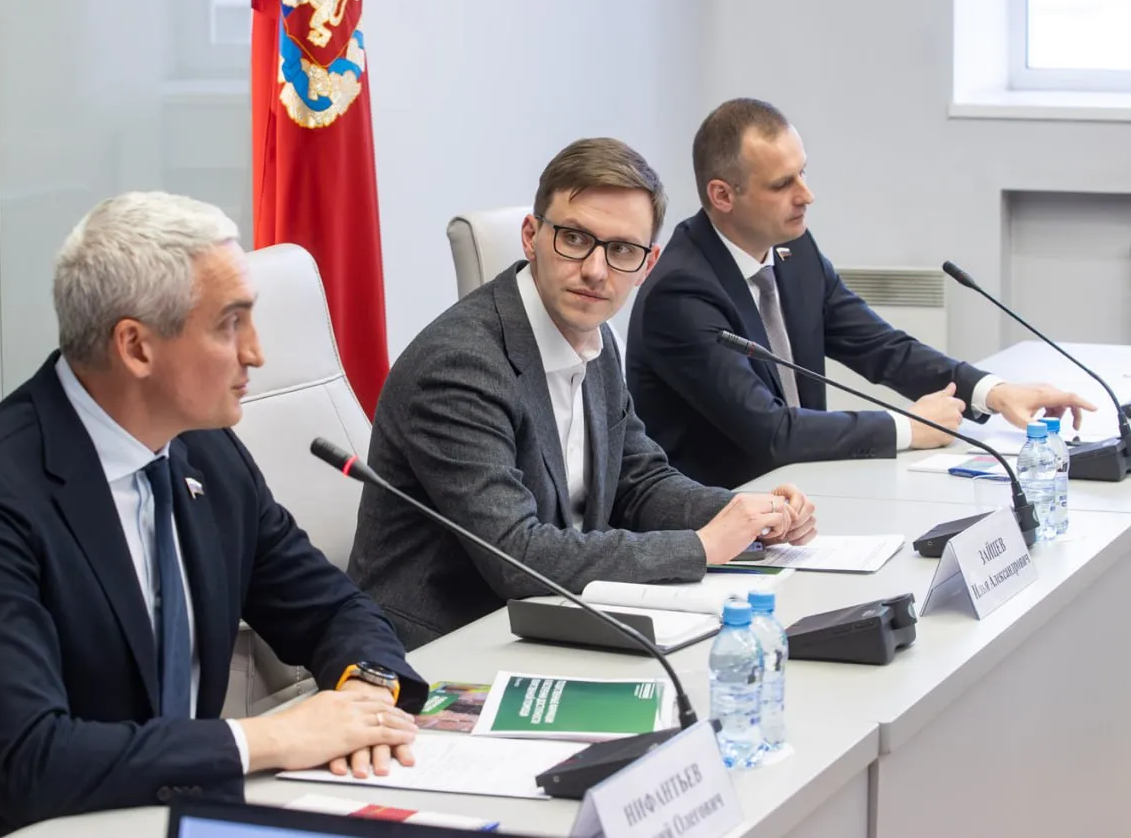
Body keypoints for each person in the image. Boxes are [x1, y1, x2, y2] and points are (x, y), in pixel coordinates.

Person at [0, 193, 426, 838]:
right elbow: (31, 761)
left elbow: (330, 608)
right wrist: (272, 738)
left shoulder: (205, 453)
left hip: (163, 815)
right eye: (229, 325)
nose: (256, 352)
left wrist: (367, 695)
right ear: (136, 347)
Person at [347, 138, 817, 650]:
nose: (595, 270)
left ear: (647, 265)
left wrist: (747, 515)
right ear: (532, 236)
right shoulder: (460, 365)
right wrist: (701, 546)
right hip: (445, 645)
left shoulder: (595, 335)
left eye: (622, 250)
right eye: (574, 238)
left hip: (550, 618)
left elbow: (637, 482)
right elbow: (516, 556)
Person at [625, 98, 1096, 488]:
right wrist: (908, 427)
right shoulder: (681, 293)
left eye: (803, 173)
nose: (806, 195)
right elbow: (770, 431)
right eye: (783, 184)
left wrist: (994, 392)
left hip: (801, 498)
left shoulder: (794, 250)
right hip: (716, 521)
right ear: (723, 196)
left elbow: (881, 348)